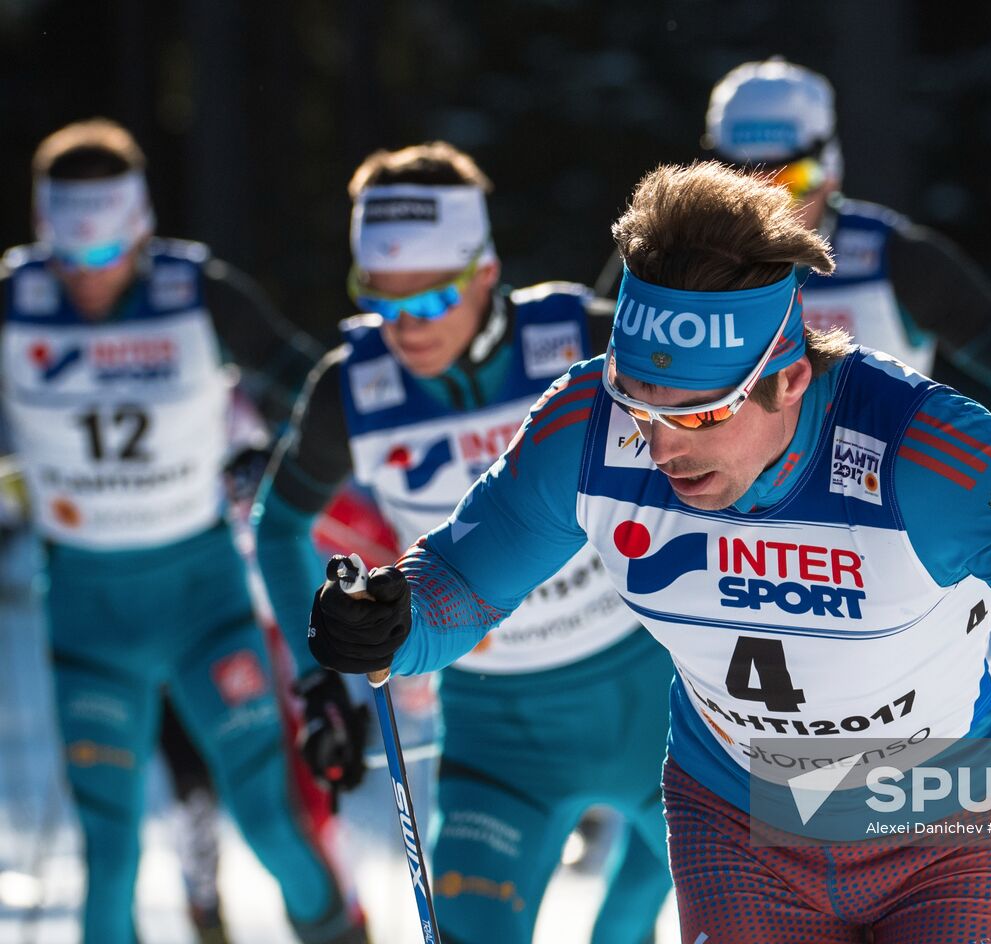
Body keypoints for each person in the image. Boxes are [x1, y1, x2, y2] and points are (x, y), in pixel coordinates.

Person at [307, 161, 991, 943]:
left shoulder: (929, 455)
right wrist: (387, 618)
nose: (664, 446)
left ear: (789, 380)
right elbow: (457, 586)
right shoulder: (587, 428)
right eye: (642, 405)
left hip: (954, 826)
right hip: (743, 823)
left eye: (702, 413)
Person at [251, 142, 674, 944]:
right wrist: (319, 684)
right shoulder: (353, 390)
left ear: (485, 271)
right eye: (382, 299)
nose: (404, 328)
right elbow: (277, 525)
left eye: (430, 299)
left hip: (646, 696)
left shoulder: (582, 338)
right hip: (494, 725)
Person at [0, 119, 363, 944]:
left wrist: (268, 453)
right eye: (68, 257)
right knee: (111, 852)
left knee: (271, 823)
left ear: (139, 230)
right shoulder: (15, 303)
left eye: (105, 257)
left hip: (202, 603)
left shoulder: (197, 291)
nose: (87, 281)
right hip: (89, 620)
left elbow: (315, 394)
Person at [700, 57, 991, 455]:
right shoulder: (675, 267)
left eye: (791, 179)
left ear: (829, 171)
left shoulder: (894, 261)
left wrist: (962, 466)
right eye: (738, 182)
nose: (767, 203)